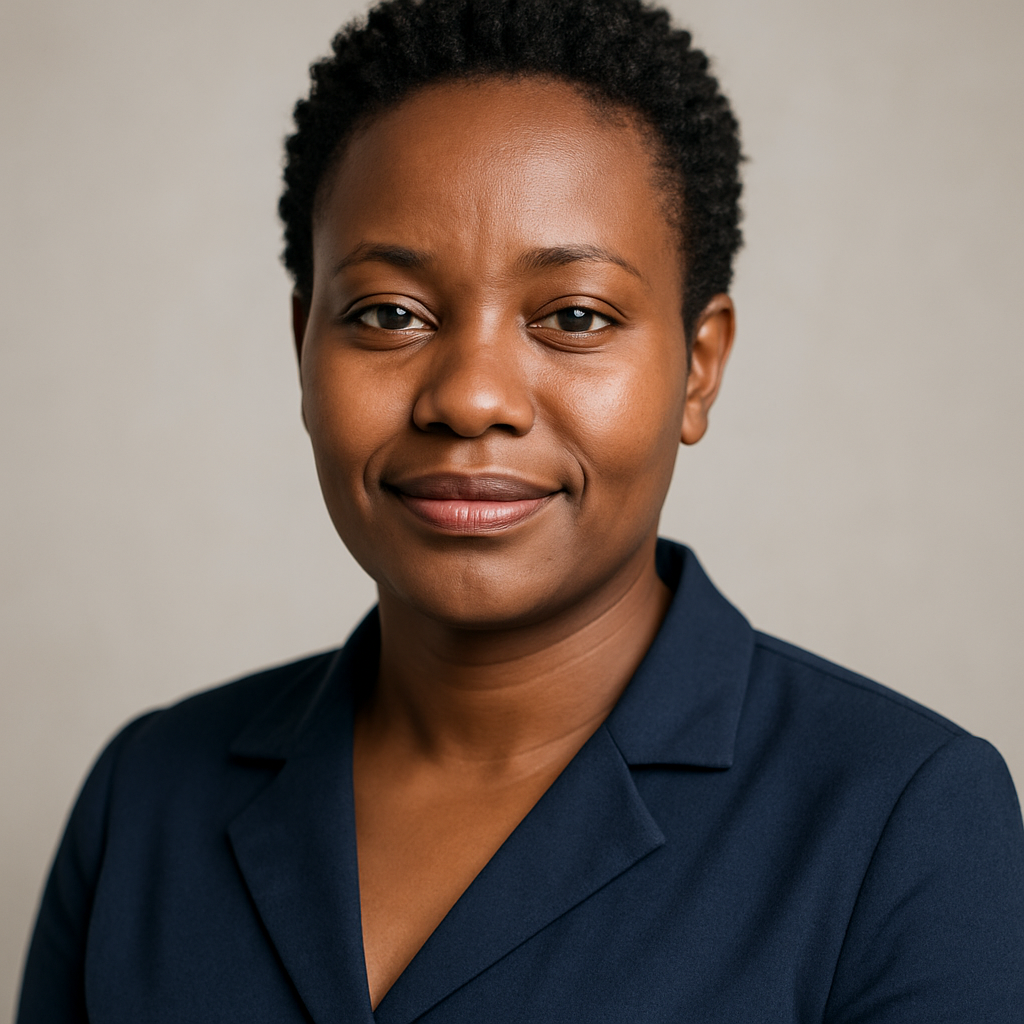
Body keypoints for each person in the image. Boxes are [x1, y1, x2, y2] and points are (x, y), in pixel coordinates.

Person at [17, 0, 1024, 1019]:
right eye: (387, 314)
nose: (470, 396)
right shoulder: (144, 795)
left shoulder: (900, 819)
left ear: (697, 368)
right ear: (302, 347)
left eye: (574, 317)